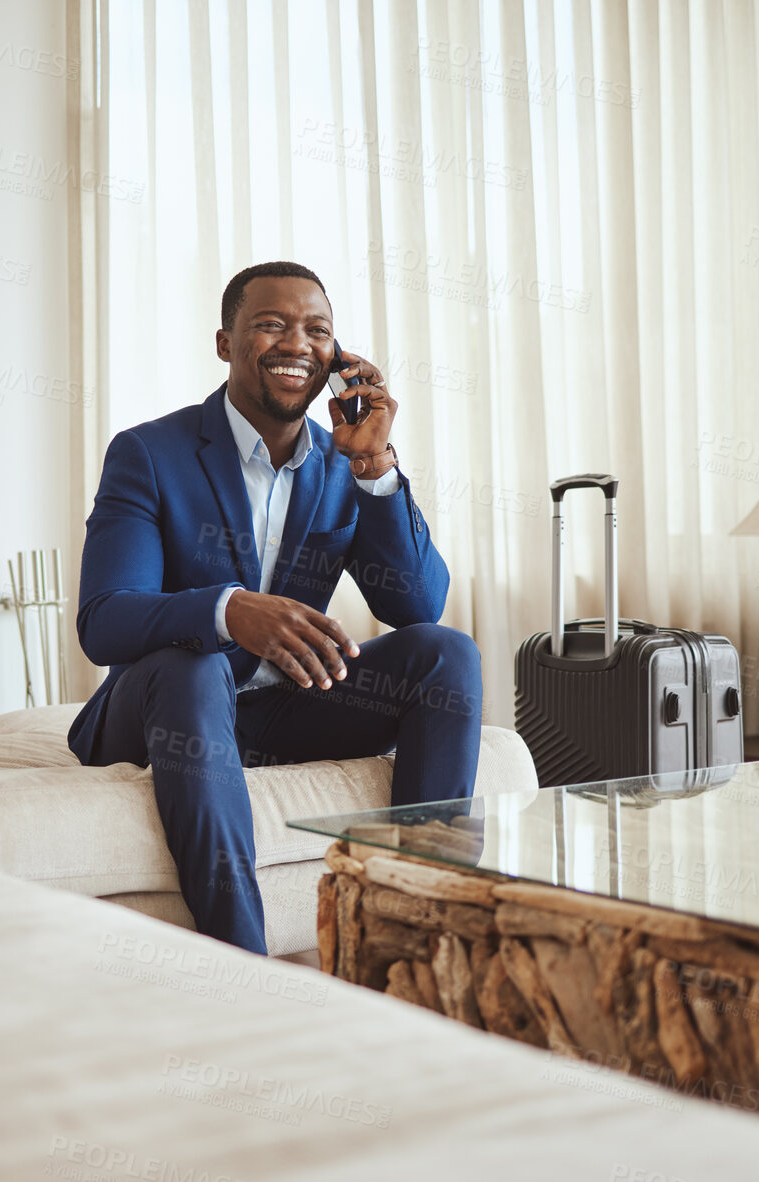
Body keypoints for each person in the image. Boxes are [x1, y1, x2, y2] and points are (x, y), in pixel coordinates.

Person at [67, 261, 482, 953]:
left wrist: (374, 469)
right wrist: (229, 612)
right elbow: (105, 617)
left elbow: (416, 605)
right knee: (195, 667)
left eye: (317, 330)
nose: (297, 343)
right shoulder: (149, 453)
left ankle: (414, 937)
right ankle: (245, 960)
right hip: (158, 708)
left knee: (447, 654)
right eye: (271, 325)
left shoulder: (341, 463)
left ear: (337, 360)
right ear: (227, 343)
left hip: (276, 714)